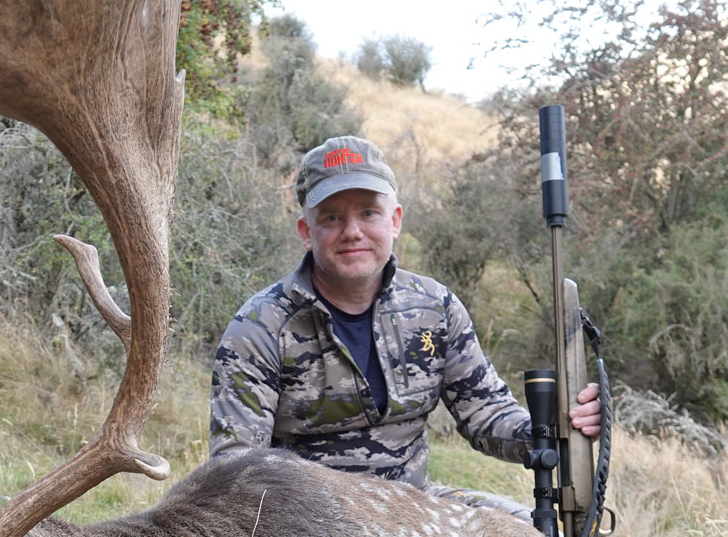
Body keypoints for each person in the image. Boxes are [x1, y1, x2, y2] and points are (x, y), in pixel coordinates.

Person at [209, 135, 600, 517]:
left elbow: (485, 414)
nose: (352, 232)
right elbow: (236, 471)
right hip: (309, 527)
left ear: (394, 221)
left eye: (368, 212)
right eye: (331, 217)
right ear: (306, 233)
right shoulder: (259, 327)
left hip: (414, 509)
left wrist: (552, 429)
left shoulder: (435, 307)